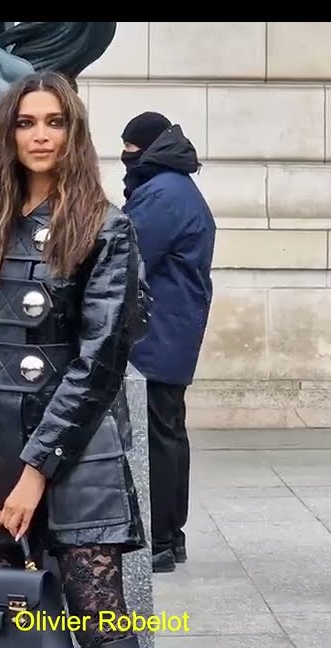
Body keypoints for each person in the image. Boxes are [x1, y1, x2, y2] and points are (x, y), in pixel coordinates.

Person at [0, 70, 151, 648]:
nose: (41, 135)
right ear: (7, 133)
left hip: (76, 453)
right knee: (11, 620)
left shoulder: (106, 228)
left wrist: (37, 471)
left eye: (54, 122)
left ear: (75, 132)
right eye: (27, 122)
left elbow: (99, 361)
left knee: (100, 616)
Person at [117, 110, 216, 573]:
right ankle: (169, 538)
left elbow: (126, 257)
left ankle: (158, 538)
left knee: (158, 436)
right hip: (172, 330)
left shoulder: (161, 194)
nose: (125, 157)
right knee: (168, 433)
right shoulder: (174, 188)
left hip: (156, 333)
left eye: (130, 148)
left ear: (148, 148)